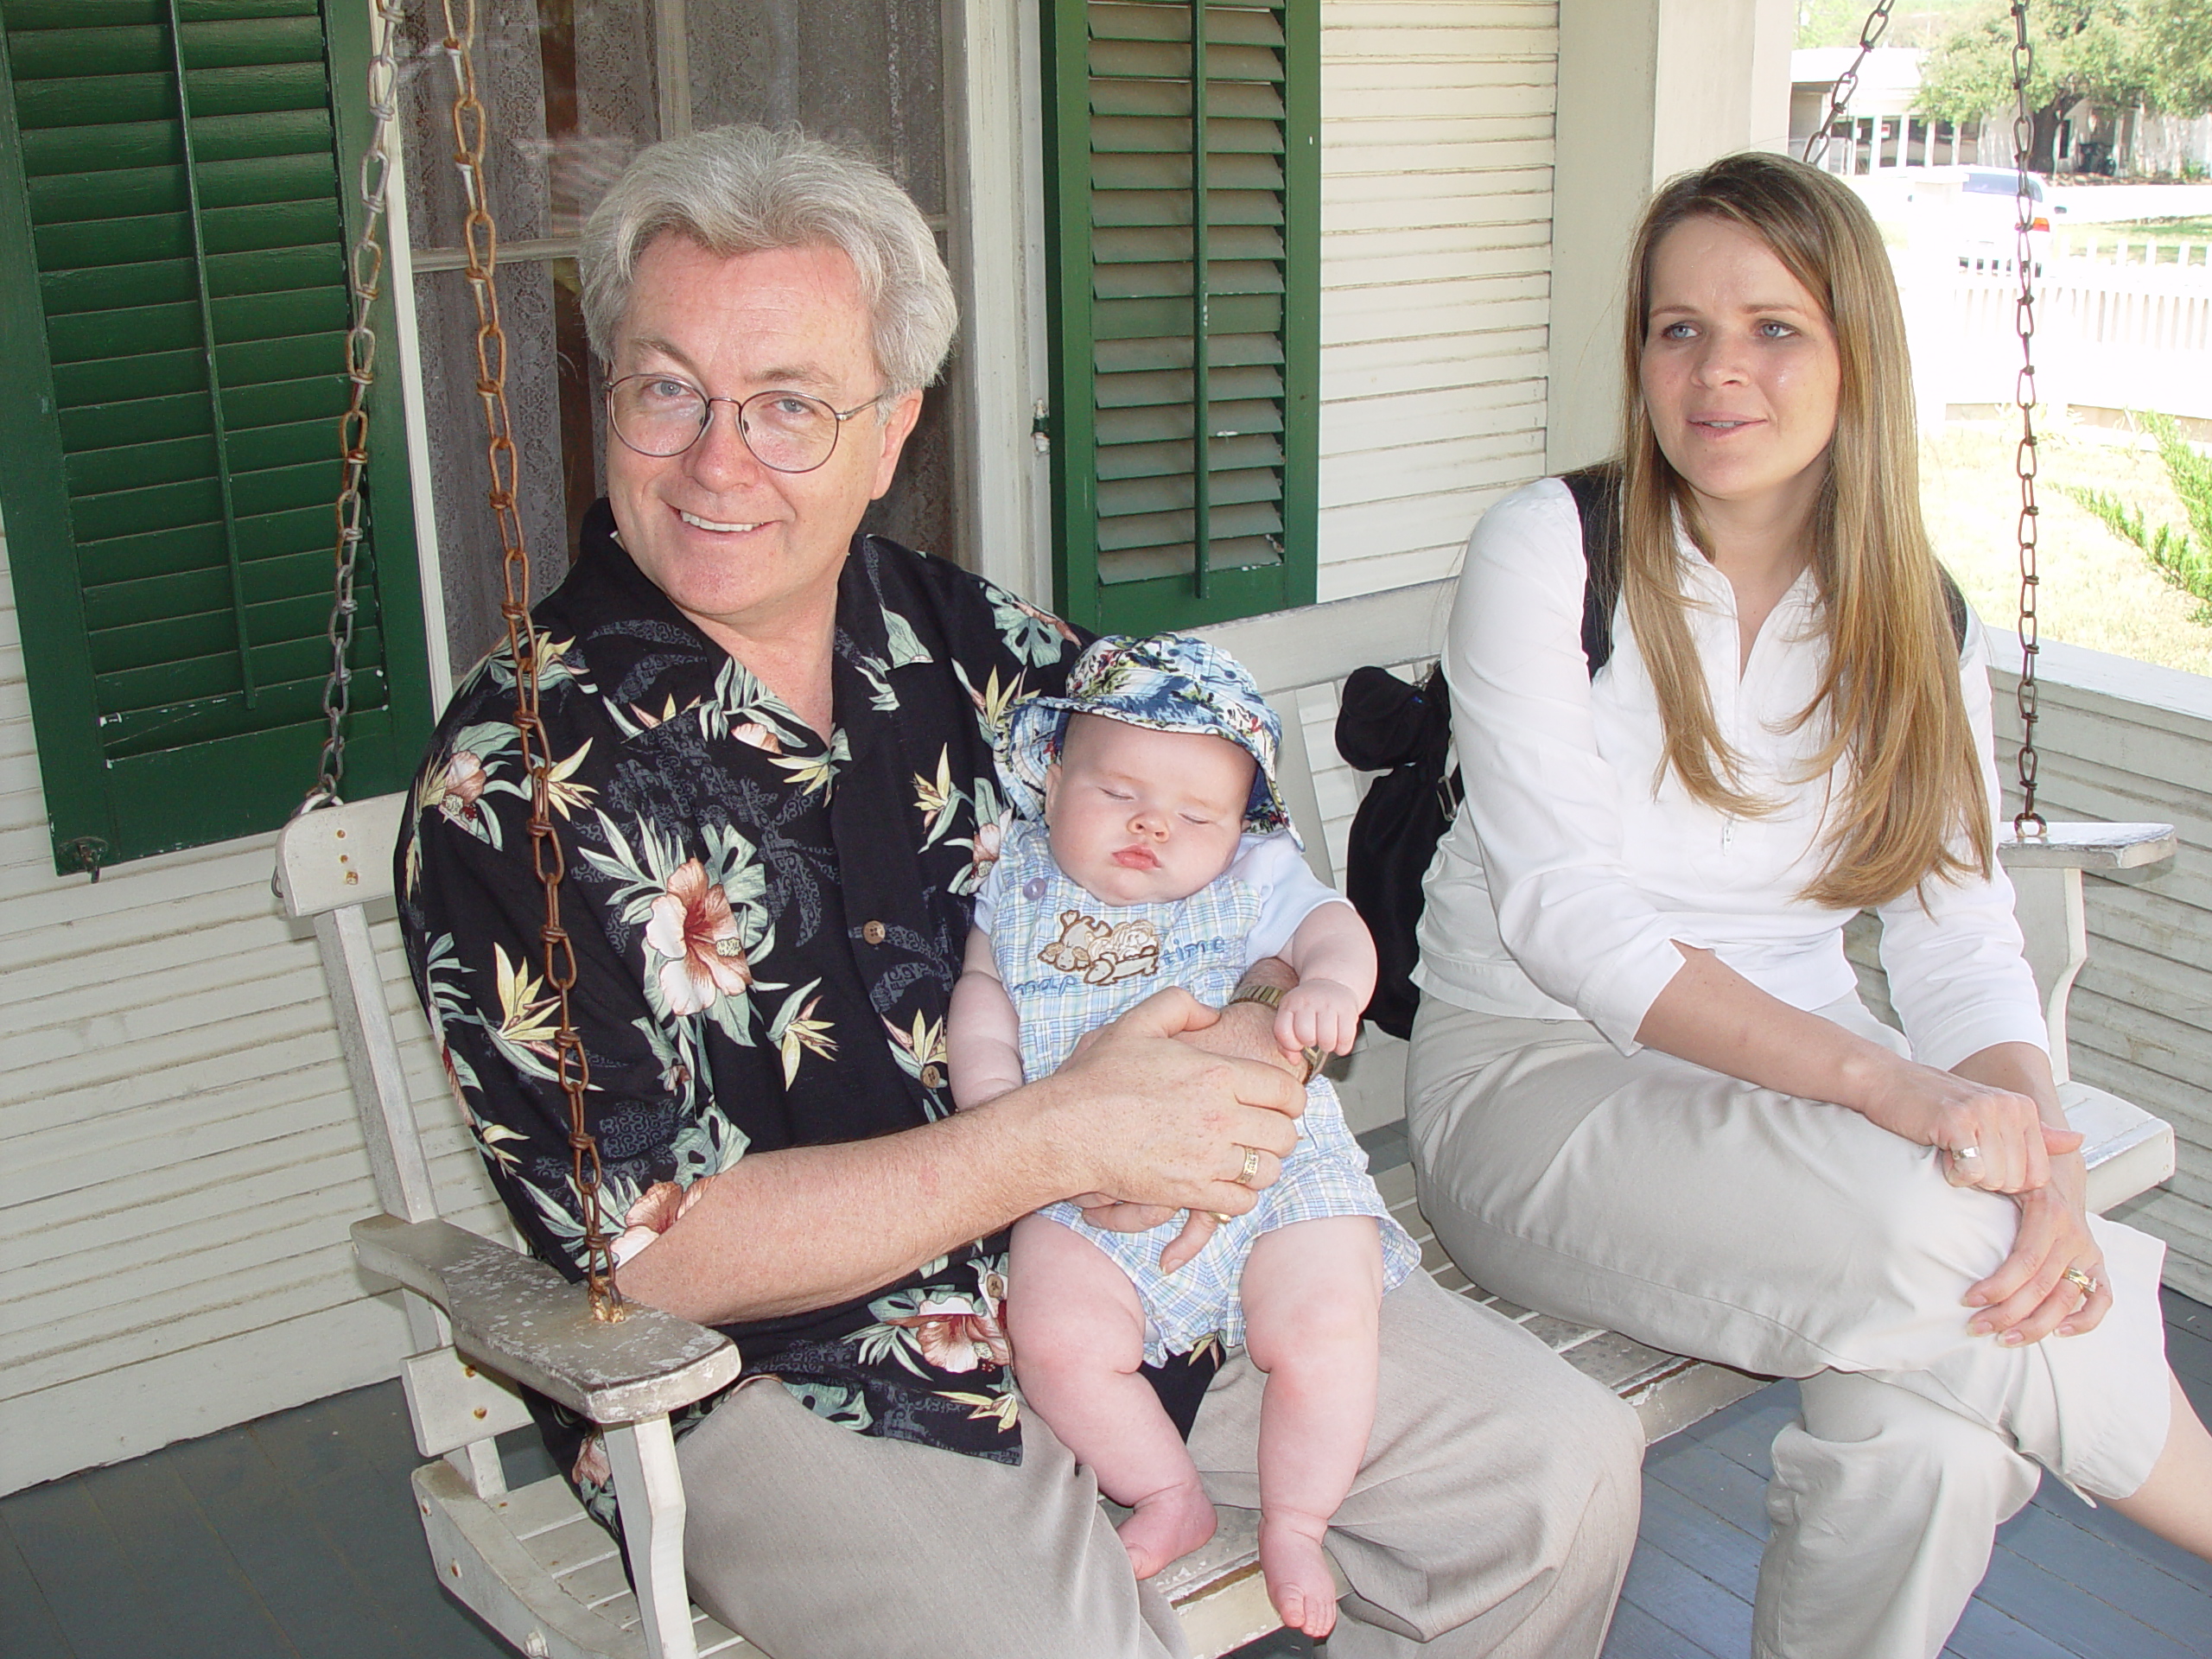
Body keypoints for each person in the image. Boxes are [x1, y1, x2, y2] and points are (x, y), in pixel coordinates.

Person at [397, 123, 1642, 1658]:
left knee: (1557, 1480)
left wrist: (1236, 1051)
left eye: (790, 404)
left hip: (1147, 1265)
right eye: (667, 390)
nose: (717, 460)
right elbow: (650, 1248)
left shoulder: (980, 650)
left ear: (894, 426)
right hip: (787, 1382)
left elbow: (1237, 872)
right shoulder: (511, 785)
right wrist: (1054, 1136)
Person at [1403, 150, 2212, 1659]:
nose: (1720, 374)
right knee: (1941, 1232)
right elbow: (1564, 918)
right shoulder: (1556, 549)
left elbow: (1959, 937)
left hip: (1803, 1109)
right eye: (1678, 329)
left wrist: (2042, 1165)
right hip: (1538, 1085)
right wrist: (1895, 1093)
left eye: (1774, 327)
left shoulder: (1918, 610)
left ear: (1856, 354)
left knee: (1940, 1447)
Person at [948, 632, 1421, 1637]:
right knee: (1059, 1340)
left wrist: (1331, 984)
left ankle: (1297, 1519)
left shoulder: (1255, 871)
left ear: (1236, 824)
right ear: (1055, 775)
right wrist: (996, 1112)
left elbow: (1330, 927)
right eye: (1117, 794)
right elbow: (981, 1002)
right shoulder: (1015, 883)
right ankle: (1166, 1488)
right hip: (1083, 1184)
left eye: (1194, 813)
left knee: (1327, 1327)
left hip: (1271, 1165)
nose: (1153, 826)